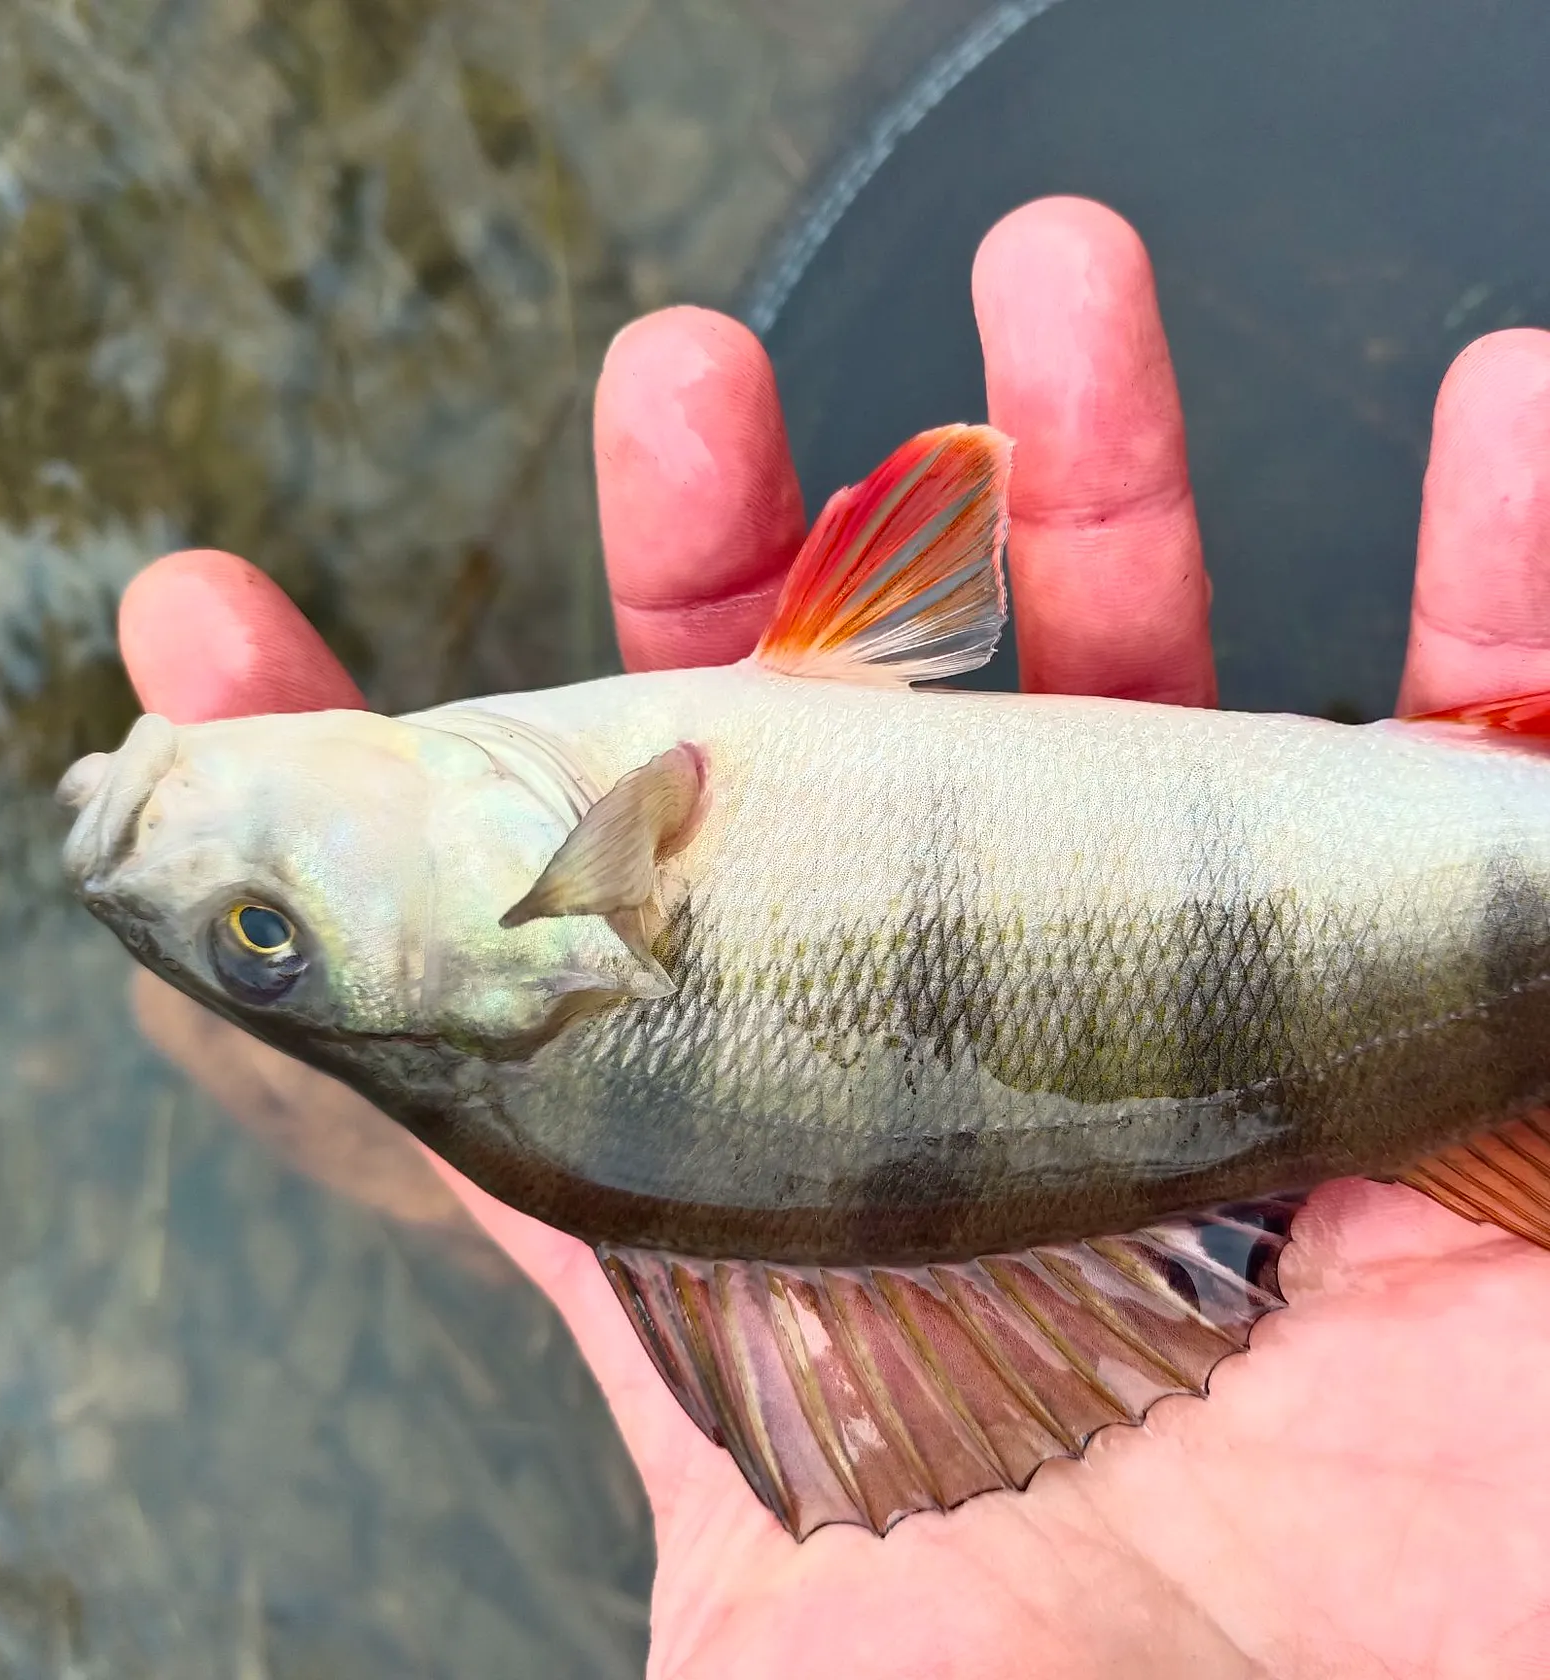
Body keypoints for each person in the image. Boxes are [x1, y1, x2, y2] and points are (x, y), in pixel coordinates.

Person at [118, 197, 1550, 1677]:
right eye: (260, 934)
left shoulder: (586, 1014)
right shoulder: (607, 869)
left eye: (254, 937)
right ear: (566, 922)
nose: (175, 870)